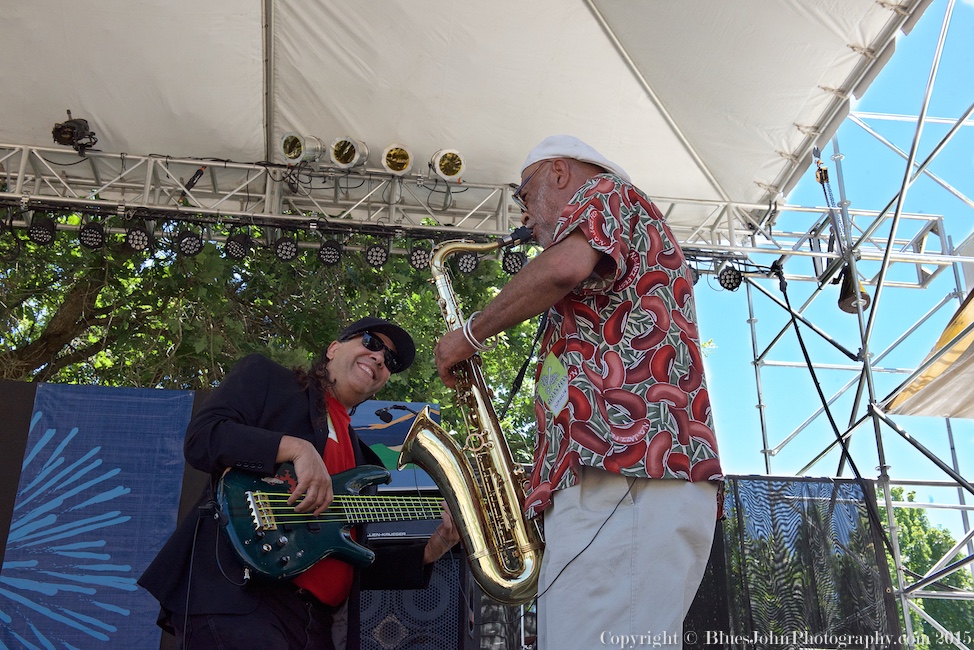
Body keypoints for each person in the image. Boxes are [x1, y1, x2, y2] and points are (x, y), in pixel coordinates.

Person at [434, 136, 723, 649]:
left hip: (628, 477)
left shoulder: (607, 193)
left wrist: (471, 334)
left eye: (524, 195)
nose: (523, 218)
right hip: (621, 483)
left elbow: (564, 267)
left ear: (560, 172)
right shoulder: (607, 266)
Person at [140, 316, 460, 650]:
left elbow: (356, 560)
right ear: (334, 349)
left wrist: (434, 547)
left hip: (316, 626)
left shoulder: (368, 463)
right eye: (371, 342)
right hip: (241, 599)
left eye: (390, 361)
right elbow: (203, 439)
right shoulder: (269, 380)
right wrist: (295, 448)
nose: (380, 358)